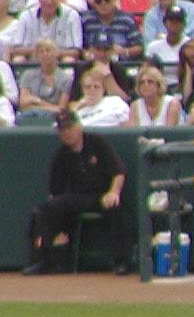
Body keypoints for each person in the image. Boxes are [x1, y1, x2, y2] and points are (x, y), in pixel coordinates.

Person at [23, 109, 130, 275]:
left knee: (114, 207)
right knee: (48, 208)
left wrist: (113, 192)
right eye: (62, 130)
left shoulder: (97, 142)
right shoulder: (60, 155)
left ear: (78, 127)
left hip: (101, 195)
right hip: (76, 197)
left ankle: (121, 261)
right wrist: (57, 226)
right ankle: (45, 260)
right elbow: (55, 192)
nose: (66, 133)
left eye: (69, 128)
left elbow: (118, 172)